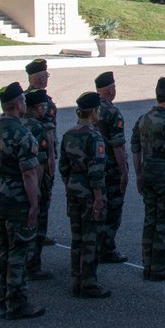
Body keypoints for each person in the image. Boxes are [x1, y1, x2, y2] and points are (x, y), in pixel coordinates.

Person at [0, 82, 44, 320]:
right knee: (18, 251)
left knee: (2, 249)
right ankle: (16, 302)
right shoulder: (23, 134)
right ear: (18, 104)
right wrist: (34, 203)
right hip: (17, 199)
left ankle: (2, 299)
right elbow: (28, 173)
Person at [133, 76, 165, 281]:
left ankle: (147, 264)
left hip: (147, 174)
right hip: (163, 177)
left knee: (150, 219)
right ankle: (159, 266)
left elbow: (135, 148)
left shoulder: (143, 119)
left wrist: (138, 174)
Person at [60, 92, 109, 299]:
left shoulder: (69, 134)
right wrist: (98, 197)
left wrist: (71, 184)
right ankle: (88, 283)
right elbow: (96, 171)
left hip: (73, 188)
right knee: (90, 237)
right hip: (89, 191)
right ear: (94, 112)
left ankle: (76, 279)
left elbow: (63, 166)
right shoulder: (94, 137)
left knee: (77, 236)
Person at [95, 72, 129, 263]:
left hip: (93, 167)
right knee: (113, 208)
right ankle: (107, 247)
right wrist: (123, 172)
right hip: (110, 168)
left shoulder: (91, 107)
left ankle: (96, 244)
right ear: (110, 89)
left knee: (97, 206)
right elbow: (118, 145)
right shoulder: (112, 112)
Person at [22, 89, 56, 281]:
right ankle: (33, 265)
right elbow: (39, 164)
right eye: (43, 106)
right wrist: (38, 191)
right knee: (37, 222)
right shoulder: (38, 128)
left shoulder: (17, 123)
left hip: (16, 184)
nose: (45, 109)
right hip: (34, 182)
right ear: (36, 108)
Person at [24, 59, 58, 246]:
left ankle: (32, 230)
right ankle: (38, 233)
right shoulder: (42, 101)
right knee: (42, 195)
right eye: (44, 76)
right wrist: (52, 157)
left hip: (27, 156)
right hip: (41, 157)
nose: (46, 79)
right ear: (37, 78)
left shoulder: (22, 98)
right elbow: (49, 132)